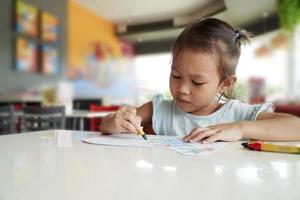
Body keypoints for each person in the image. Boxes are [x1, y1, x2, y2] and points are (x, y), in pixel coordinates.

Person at [100, 18, 300, 143]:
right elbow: (106, 127)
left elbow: (296, 127)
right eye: (176, 76)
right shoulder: (159, 109)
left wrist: (240, 128)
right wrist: (115, 121)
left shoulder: (239, 114)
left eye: (197, 82)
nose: (182, 89)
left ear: (226, 83)